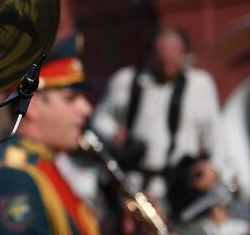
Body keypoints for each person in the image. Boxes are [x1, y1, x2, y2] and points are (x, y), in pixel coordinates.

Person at [92, 26, 226, 215]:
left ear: (185, 55)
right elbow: (99, 117)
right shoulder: (126, 80)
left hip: (178, 186)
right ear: (151, 54)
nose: (167, 64)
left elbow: (216, 134)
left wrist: (215, 168)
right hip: (132, 184)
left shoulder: (200, 85)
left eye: (174, 58)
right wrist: (112, 132)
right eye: (161, 59)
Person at [0, 34, 100, 235]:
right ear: (32, 105)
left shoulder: (41, 164)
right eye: (71, 98)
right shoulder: (13, 178)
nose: (86, 109)